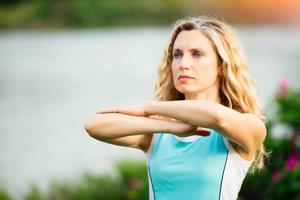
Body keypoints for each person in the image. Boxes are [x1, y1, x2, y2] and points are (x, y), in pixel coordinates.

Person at [84, 16, 267, 200]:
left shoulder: (246, 127)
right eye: (177, 54)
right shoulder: (158, 133)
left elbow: (216, 117)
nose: (183, 64)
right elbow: (94, 125)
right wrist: (170, 127)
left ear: (221, 65)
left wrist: (148, 108)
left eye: (197, 54)